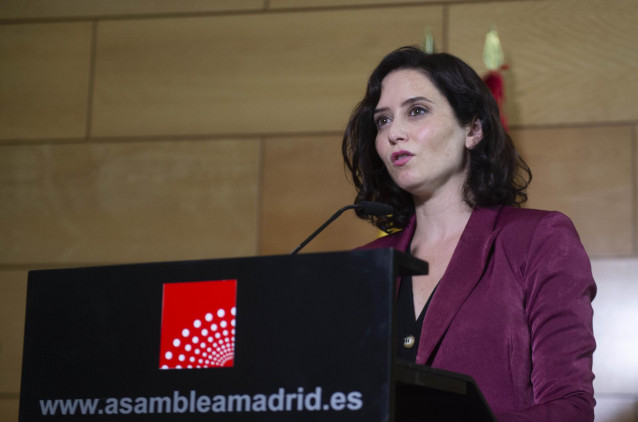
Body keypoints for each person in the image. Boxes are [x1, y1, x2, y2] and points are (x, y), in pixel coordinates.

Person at [342, 46, 596, 421]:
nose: (394, 132)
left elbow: (570, 407)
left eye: (416, 111)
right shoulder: (365, 264)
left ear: (473, 129)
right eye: (382, 120)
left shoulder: (539, 239)